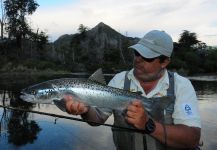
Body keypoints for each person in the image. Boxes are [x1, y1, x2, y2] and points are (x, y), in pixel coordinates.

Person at [64, 30, 201, 150]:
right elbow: (98, 119)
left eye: (147, 57)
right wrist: (86, 111)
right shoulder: (119, 80)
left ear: (164, 62)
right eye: (137, 53)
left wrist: (148, 125)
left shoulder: (181, 86)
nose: (138, 60)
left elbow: (192, 138)